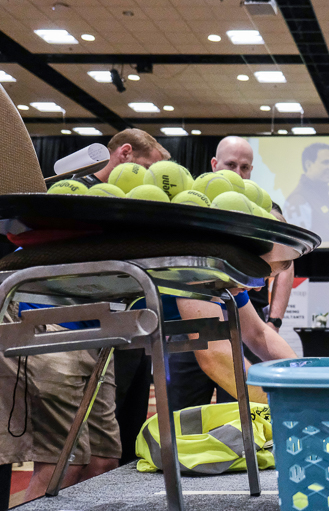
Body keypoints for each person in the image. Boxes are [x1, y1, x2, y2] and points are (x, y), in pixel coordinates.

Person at [22, 129, 169, 500]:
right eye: (148, 170)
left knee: (103, 462)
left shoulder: (129, 211)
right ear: (124, 154)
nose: (152, 184)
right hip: (50, 327)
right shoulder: (74, 197)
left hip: (99, 337)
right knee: (63, 465)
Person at [166, 136, 295, 411]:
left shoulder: (227, 269)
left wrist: (302, 375)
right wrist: (288, 406)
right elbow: (215, 357)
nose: (260, 288)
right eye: (260, 276)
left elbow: (258, 334)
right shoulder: (201, 267)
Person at [284, 142, 329, 244]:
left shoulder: (323, 194)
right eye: (326, 162)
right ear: (308, 165)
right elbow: (298, 246)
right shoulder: (298, 199)